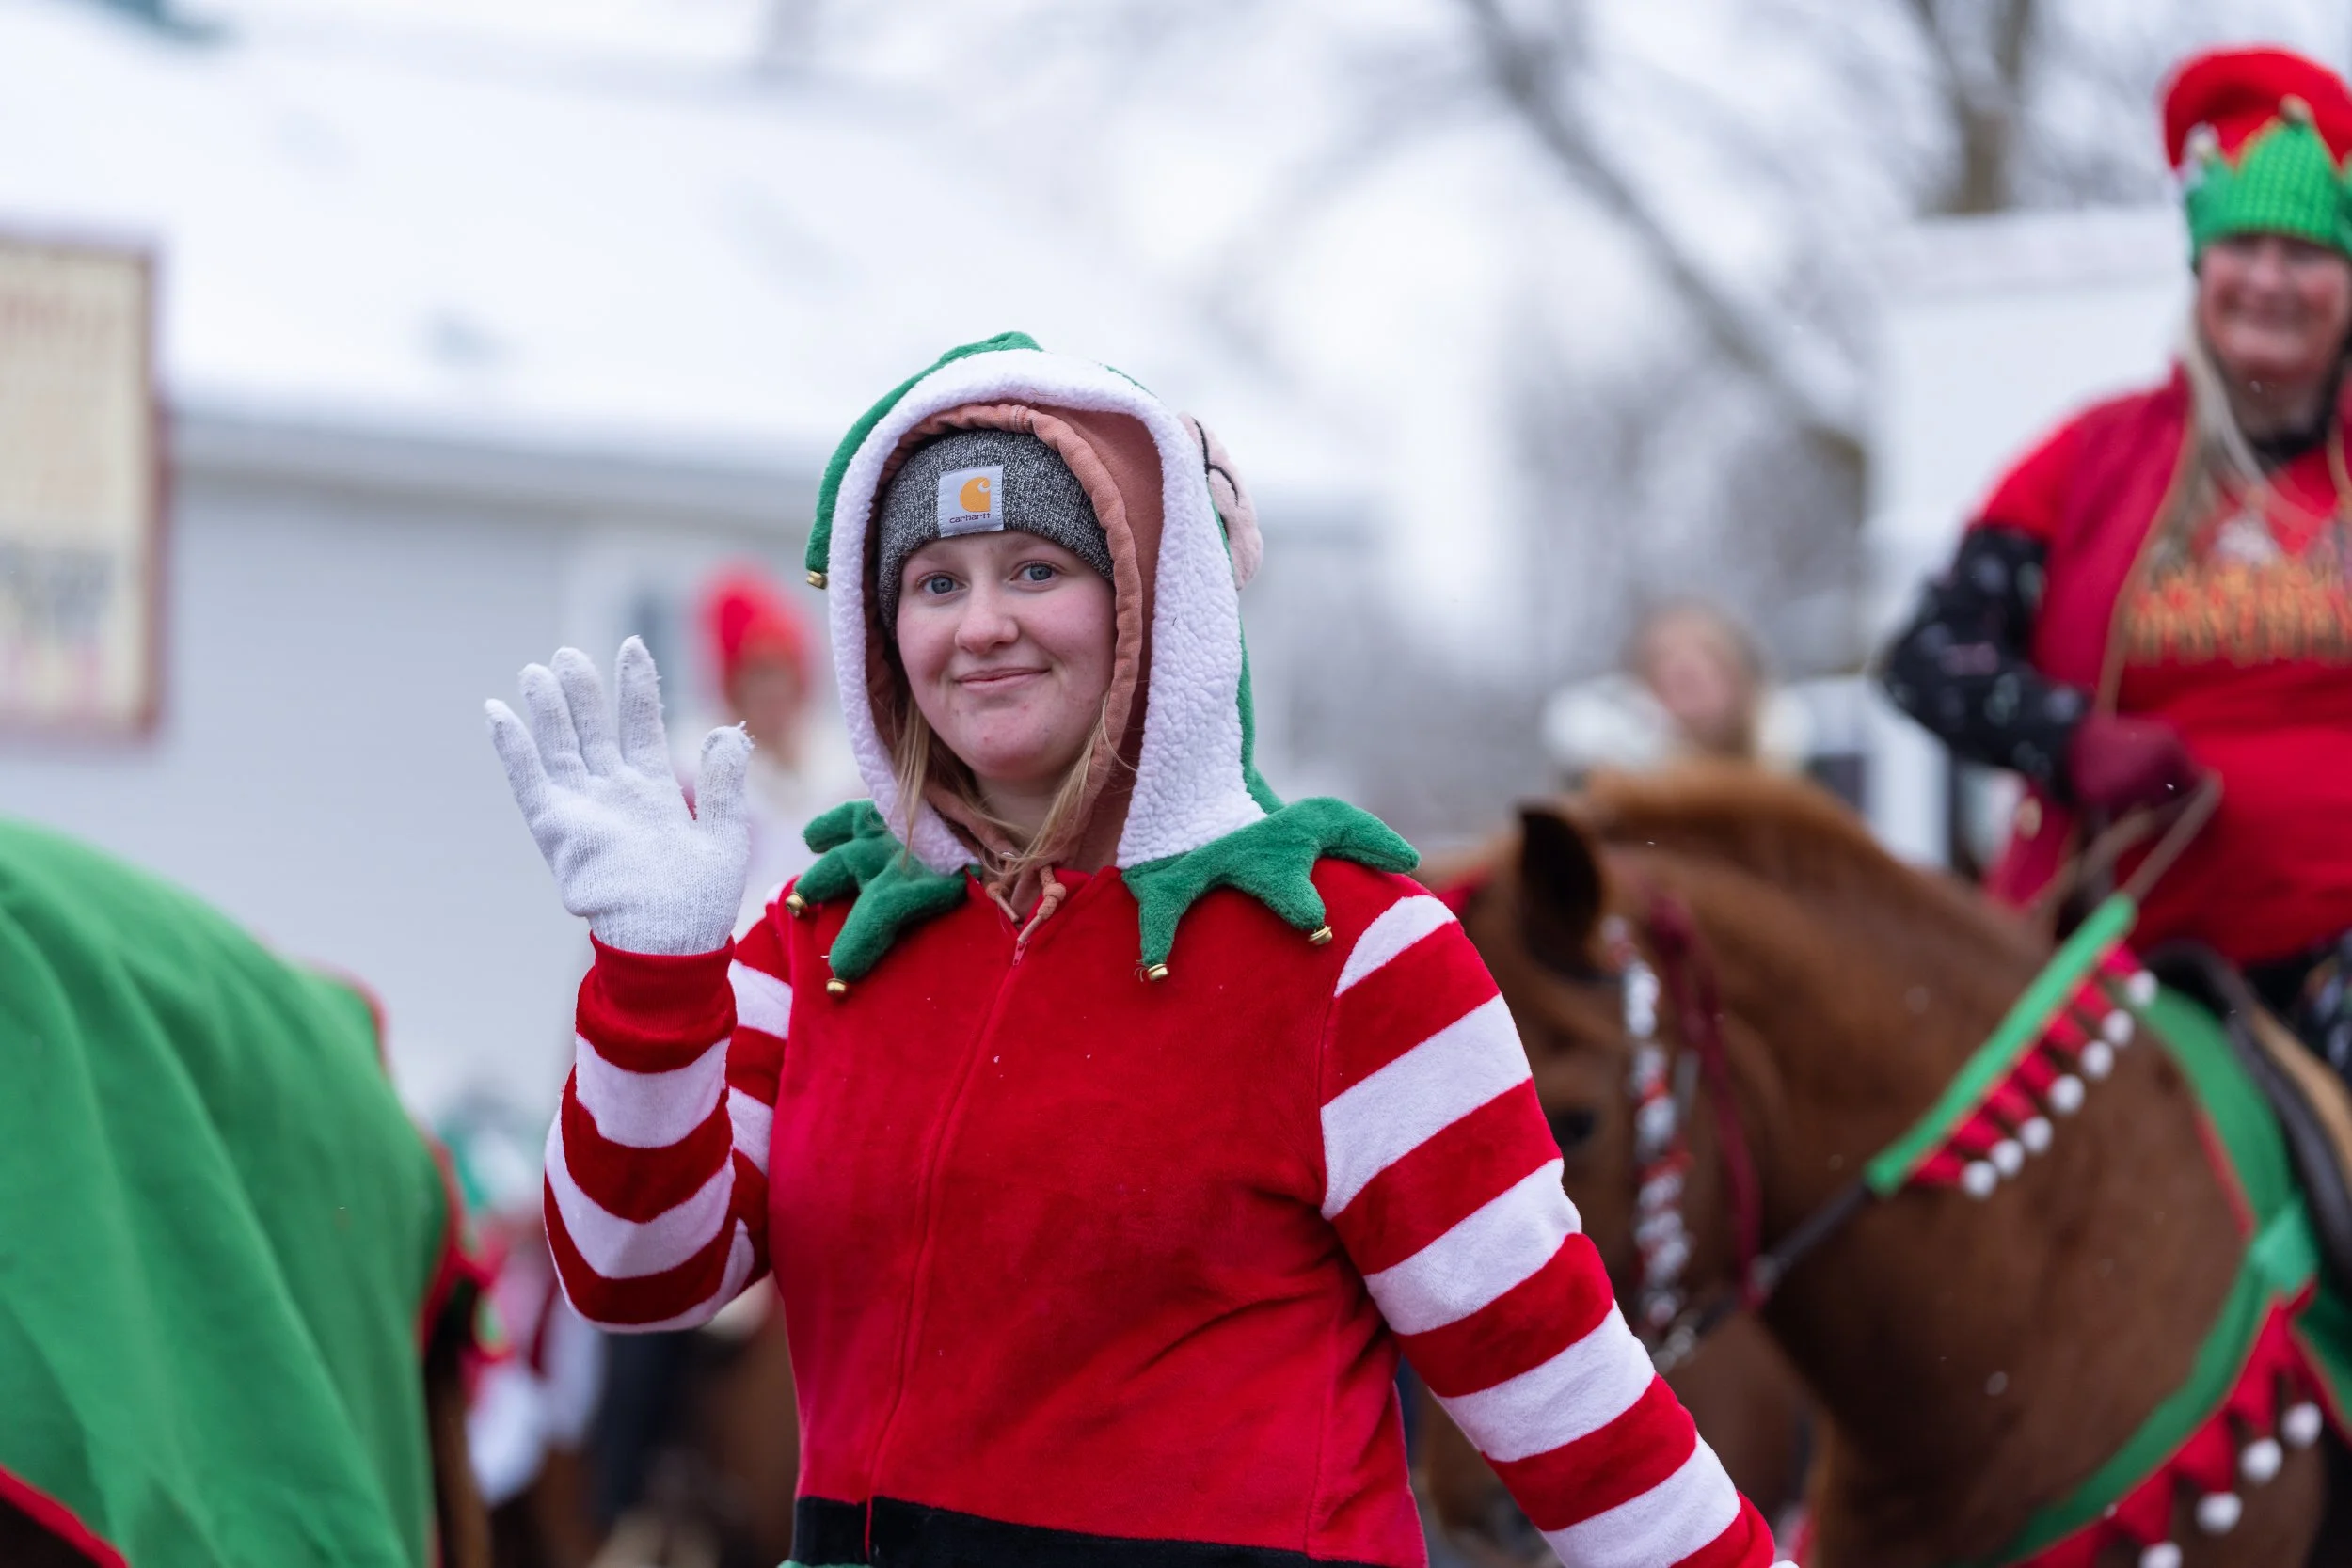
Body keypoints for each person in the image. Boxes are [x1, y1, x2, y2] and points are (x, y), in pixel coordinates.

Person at [485, 334, 1776, 1567]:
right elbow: (632, 1270)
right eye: (936, 582)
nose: (981, 623)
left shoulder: (1351, 950)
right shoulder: (823, 938)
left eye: (1035, 567)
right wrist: (652, 976)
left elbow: (1563, 1388)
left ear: (1152, 601)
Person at [1881, 46, 2352, 1069]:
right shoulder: (2089, 458)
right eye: (2244, 245)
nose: (2270, 279)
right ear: (2200, 264)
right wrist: (2069, 738)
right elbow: (1925, 655)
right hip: (2125, 960)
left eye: (2307, 251)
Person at [695, 567, 865, 936]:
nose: (773, 689)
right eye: (758, 673)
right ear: (734, 684)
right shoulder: (700, 777)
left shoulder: (847, 769)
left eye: (783, 669)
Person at [1543, 600, 1809, 783]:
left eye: (1709, 653)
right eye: (1662, 658)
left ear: (1743, 677)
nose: (1685, 668)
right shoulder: (1604, 794)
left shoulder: (1802, 782)